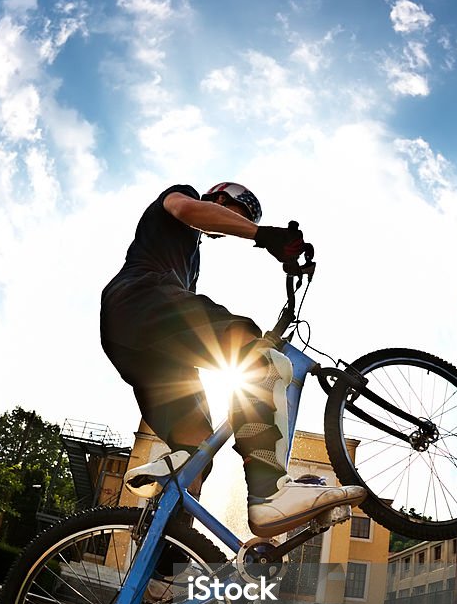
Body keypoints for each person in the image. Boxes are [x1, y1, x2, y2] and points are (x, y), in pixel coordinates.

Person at [100, 182, 366, 538]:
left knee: (196, 452)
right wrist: (263, 234)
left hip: (137, 342)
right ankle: (269, 492)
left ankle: (161, 556)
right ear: (224, 199)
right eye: (239, 215)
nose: (228, 227)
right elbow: (189, 210)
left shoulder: (187, 260)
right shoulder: (185, 199)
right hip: (141, 301)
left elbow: (188, 325)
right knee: (264, 361)